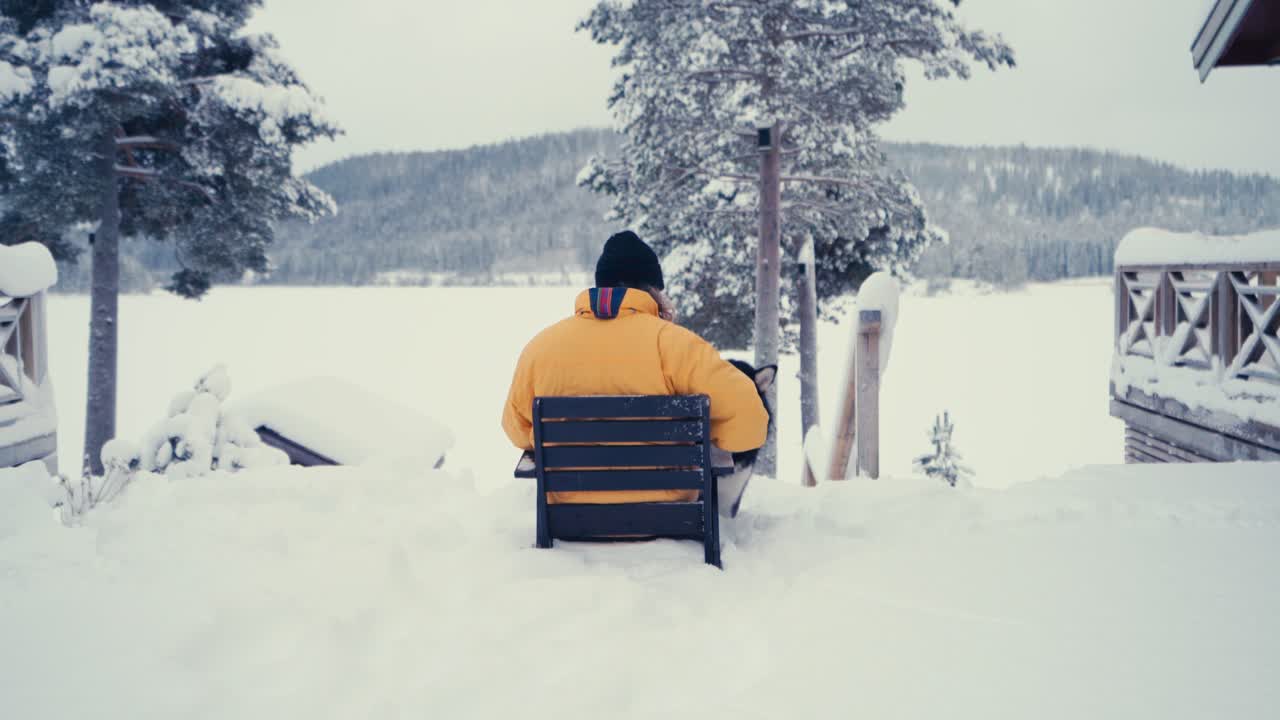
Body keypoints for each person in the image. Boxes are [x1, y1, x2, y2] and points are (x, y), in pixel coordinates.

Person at [502, 230, 769, 505]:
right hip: (669, 518)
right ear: (652, 290)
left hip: (571, 520)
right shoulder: (676, 345)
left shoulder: (541, 348)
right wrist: (700, 437)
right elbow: (751, 423)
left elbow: (515, 427)